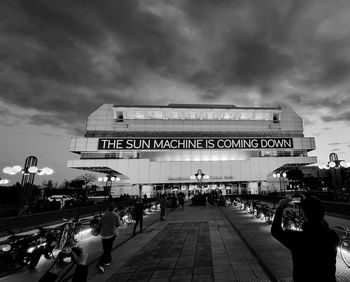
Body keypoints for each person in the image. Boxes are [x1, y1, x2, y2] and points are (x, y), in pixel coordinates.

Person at [271, 195, 339, 282]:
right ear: (322, 213)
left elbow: (275, 231)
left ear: (305, 215)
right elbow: (322, 226)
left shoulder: (297, 238)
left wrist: (280, 208)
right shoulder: (333, 236)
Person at [96, 203, 122, 273]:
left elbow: (100, 224)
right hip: (111, 235)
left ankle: (108, 261)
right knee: (107, 250)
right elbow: (119, 224)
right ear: (114, 209)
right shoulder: (116, 216)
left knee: (106, 249)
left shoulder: (104, 216)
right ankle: (100, 264)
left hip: (104, 235)